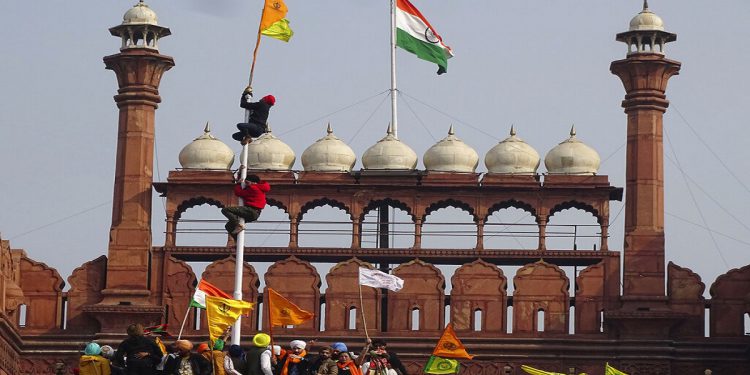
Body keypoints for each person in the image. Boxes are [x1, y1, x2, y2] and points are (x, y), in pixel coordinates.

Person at [220, 174, 270, 239]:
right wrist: (240, 174)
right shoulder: (258, 187)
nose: (245, 184)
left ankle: (238, 225)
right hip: (254, 213)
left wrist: (238, 184)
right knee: (229, 226)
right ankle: (237, 243)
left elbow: (239, 193)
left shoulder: (253, 188)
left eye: (247, 182)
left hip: (251, 211)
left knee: (225, 210)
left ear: (254, 183)